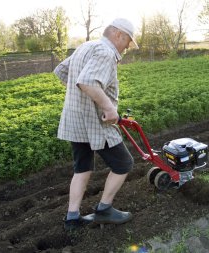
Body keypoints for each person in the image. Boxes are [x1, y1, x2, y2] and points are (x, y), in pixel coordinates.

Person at [53, 18, 139, 231]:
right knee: (123, 164)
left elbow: (62, 71)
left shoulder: (87, 46)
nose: (128, 46)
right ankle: (104, 209)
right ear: (118, 34)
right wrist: (109, 108)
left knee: (82, 168)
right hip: (94, 121)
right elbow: (87, 82)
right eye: (128, 41)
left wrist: (80, 96)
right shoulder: (105, 52)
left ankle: (72, 218)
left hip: (75, 120)